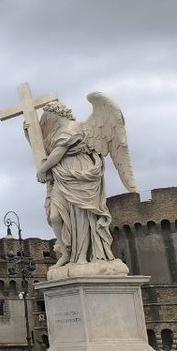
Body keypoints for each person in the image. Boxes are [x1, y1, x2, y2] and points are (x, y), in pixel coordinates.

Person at [33, 97, 135, 272]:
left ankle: (82, 257)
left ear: (53, 114)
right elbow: (44, 151)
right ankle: (66, 252)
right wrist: (30, 135)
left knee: (82, 217)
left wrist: (42, 170)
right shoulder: (57, 133)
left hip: (79, 172)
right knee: (55, 217)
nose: (45, 122)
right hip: (62, 175)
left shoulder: (74, 128)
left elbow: (58, 153)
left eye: (46, 118)